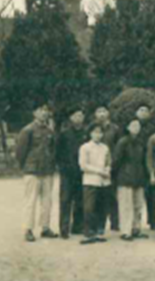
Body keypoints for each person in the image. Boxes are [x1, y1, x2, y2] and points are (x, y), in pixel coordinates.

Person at [16, 100, 59, 242]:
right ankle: (28, 229)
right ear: (34, 113)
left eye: (46, 110)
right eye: (40, 109)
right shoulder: (27, 130)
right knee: (31, 201)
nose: (44, 112)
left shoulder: (50, 131)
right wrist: (26, 167)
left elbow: (53, 150)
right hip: (32, 171)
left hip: (47, 171)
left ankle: (45, 228)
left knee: (47, 201)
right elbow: (20, 152)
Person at [113, 119, 149, 241]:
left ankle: (136, 229)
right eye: (133, 125)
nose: (136, 127)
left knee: (138, 205)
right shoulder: (122, 142)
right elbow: (116, 161)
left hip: (139, 177)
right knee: (126, 205)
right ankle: (125, 231)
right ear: (127, 127)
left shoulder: (141, 142)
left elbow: (143, 161)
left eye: (138, 125)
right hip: (125, 177)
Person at [78, 123, 112, 245]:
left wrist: (107, 170)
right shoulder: (85, 147)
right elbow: (83, 165)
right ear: (90, 133)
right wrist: (99, 171)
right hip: (90, 181)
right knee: (89, 207)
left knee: (101, 207)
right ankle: (88, 232)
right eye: (95, 132)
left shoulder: (105, 148)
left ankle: (99, 231)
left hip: (104, 182)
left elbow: (108, 162)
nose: (98, 135)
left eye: (100, 132)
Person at [56, 106, 86, 239]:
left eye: (81, 115)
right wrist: (62, 167)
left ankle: (77, 226)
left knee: (80, 199)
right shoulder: (64, 133)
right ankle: (64, 228)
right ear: (71, 118)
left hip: (82, 171)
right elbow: (58, 152)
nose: (79, 118)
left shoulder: (86, 133)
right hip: (67, 172)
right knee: (65, 199)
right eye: (76, 115)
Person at [93, 105, 121, 232]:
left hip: (111, 166)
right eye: (99, 111)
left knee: (112, 196)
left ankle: (115, 222)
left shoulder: (115, 129)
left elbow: (118, 147)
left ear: (108, 113)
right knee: (99, 196)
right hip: (96, 167)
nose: (102, 114)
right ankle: (100, 224)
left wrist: (113, 165)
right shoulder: (92, 128)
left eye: (104, 111)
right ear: (95, 114)